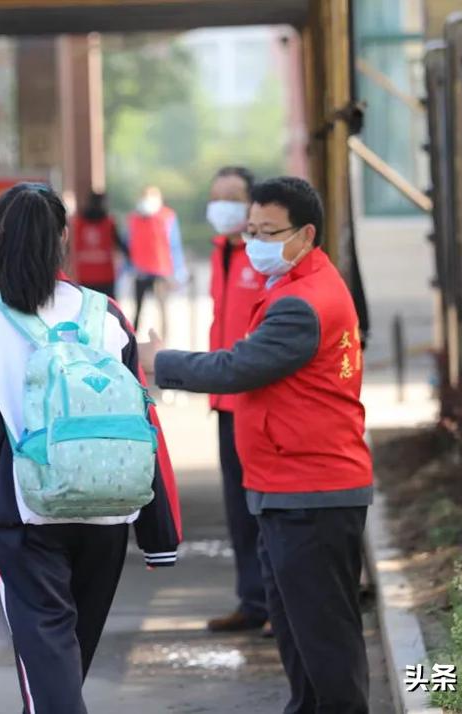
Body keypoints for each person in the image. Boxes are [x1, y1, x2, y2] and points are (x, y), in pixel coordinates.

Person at [140, 177, 373, 714]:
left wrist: (162, 362)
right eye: (251, 230)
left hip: (310, 491)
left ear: (306, 233)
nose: (255, 243)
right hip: (287, 487)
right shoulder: (297, 283)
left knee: (324, 644)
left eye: (269, 231)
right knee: (299, 639)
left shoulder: (302, 303)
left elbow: (240, 366)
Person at [0, 182, 181, 714]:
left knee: (49, 671)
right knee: (66, 667)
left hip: (30, 516)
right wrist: (158, 533)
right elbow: (143, 422)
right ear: (63, 238)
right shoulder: (107, 314)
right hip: (109, 515)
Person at [202, 166, 271, 635]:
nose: (223, 205)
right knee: (238, 509)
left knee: (265, 506)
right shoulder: (220, 253)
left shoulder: (263, 257)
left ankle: (278, 602)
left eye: (233, 197)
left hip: (259, 400)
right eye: (217, 197)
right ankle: (252, 601)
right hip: (225, 402)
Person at [127, 185, 187, 338]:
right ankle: (133, 341)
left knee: (162, 309)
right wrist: (127, 269)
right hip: (140, 271)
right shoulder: (134, 218)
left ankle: (164, 341)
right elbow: (129, 244)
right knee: (138, 309)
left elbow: (174, 245)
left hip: (161, 271)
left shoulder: (167, 216)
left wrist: (179, 272)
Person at [69, 191, 127, 298]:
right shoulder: (109, 222)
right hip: (105, 275)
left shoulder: (78, 222)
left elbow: (70, 247)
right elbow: (119, 245)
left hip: (84, 274)